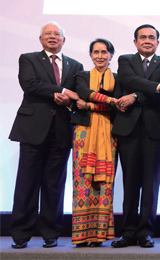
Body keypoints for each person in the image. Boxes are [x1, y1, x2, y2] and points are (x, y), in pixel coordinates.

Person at [9, 22, 84, 249]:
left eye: (57, 34)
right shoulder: (28, 58)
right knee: (27, 183)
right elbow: (29, 85)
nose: (52, 37)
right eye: (48, 34)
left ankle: (51, 233)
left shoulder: (76, 64)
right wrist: (61, 92)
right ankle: (21, 234)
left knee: (54, 184)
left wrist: (69, 99)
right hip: (33, 129)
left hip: (61, 129)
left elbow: (77, 94)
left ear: (64, 40)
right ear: (40, 39)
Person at [111, 24, 160, 248]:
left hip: (156, 129)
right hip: (129, 128)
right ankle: (128, 232)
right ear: (135, 42)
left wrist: (135, 96)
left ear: (157, 43)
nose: (147, 40)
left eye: (151, 38)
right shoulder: (125, 60)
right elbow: (129, 80)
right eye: (142, 37)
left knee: (151, 183)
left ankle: (145, 232)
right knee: (130, 182)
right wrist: (156, 87)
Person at [70, 38, 120, 247]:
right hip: (84, 134)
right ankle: (82, 235)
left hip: (109, 134)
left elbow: (118, 107)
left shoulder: (118, 79)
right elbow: (83, 94)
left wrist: (89, 105)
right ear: (90, 55)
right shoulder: (81, 76)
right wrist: (109, 101)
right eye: (96, 52)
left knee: (104, 183)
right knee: (82, 183)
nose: (100, 56)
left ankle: (99, 235)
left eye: (104, 52)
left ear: (111, 55)